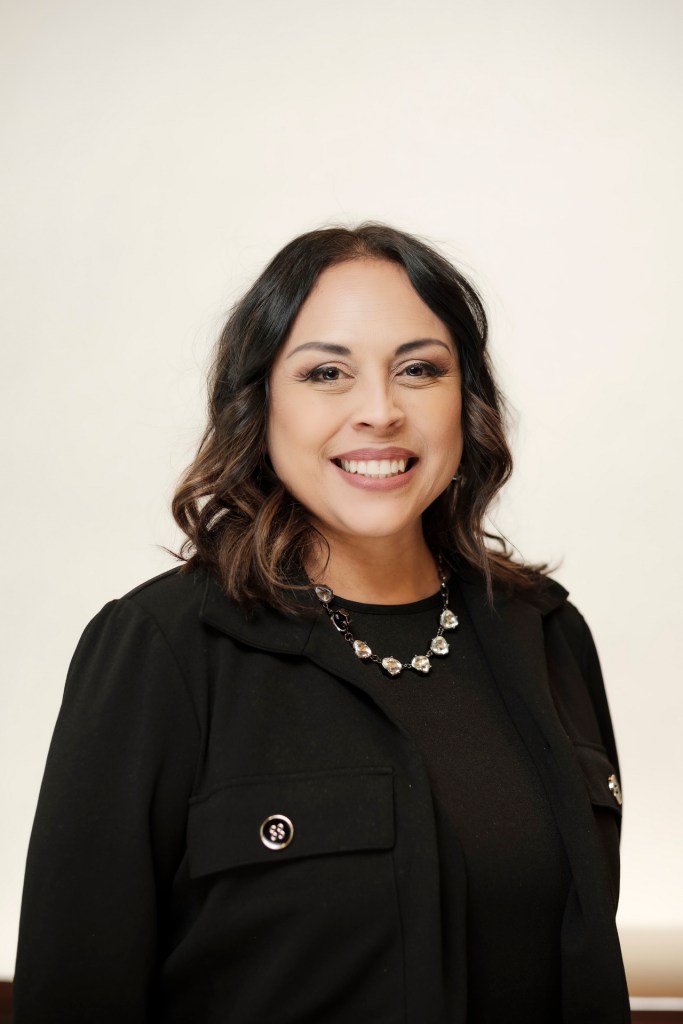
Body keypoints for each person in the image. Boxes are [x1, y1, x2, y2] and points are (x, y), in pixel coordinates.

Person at [13, 224, 630, 1023]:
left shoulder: (545, 635)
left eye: (418, 369)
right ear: (260, 399)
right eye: (326, 373)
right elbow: (77, 990)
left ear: (464, 399)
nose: (379, 411)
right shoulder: (159, 649)